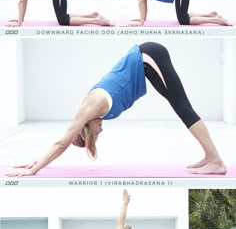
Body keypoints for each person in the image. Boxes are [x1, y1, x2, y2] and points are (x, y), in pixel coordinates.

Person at [11, 42, 226, 178]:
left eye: (95, 134)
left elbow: (62, 142)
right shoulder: (93, 113)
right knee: (180, 106)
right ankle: (210, 157)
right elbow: (66, 141)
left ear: (86, 129)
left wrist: (34, 170)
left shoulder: (90, 106)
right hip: (147, 64)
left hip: (148, 57)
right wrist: (39, 162)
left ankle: (215, 160)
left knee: (182, 107)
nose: (101, 132)